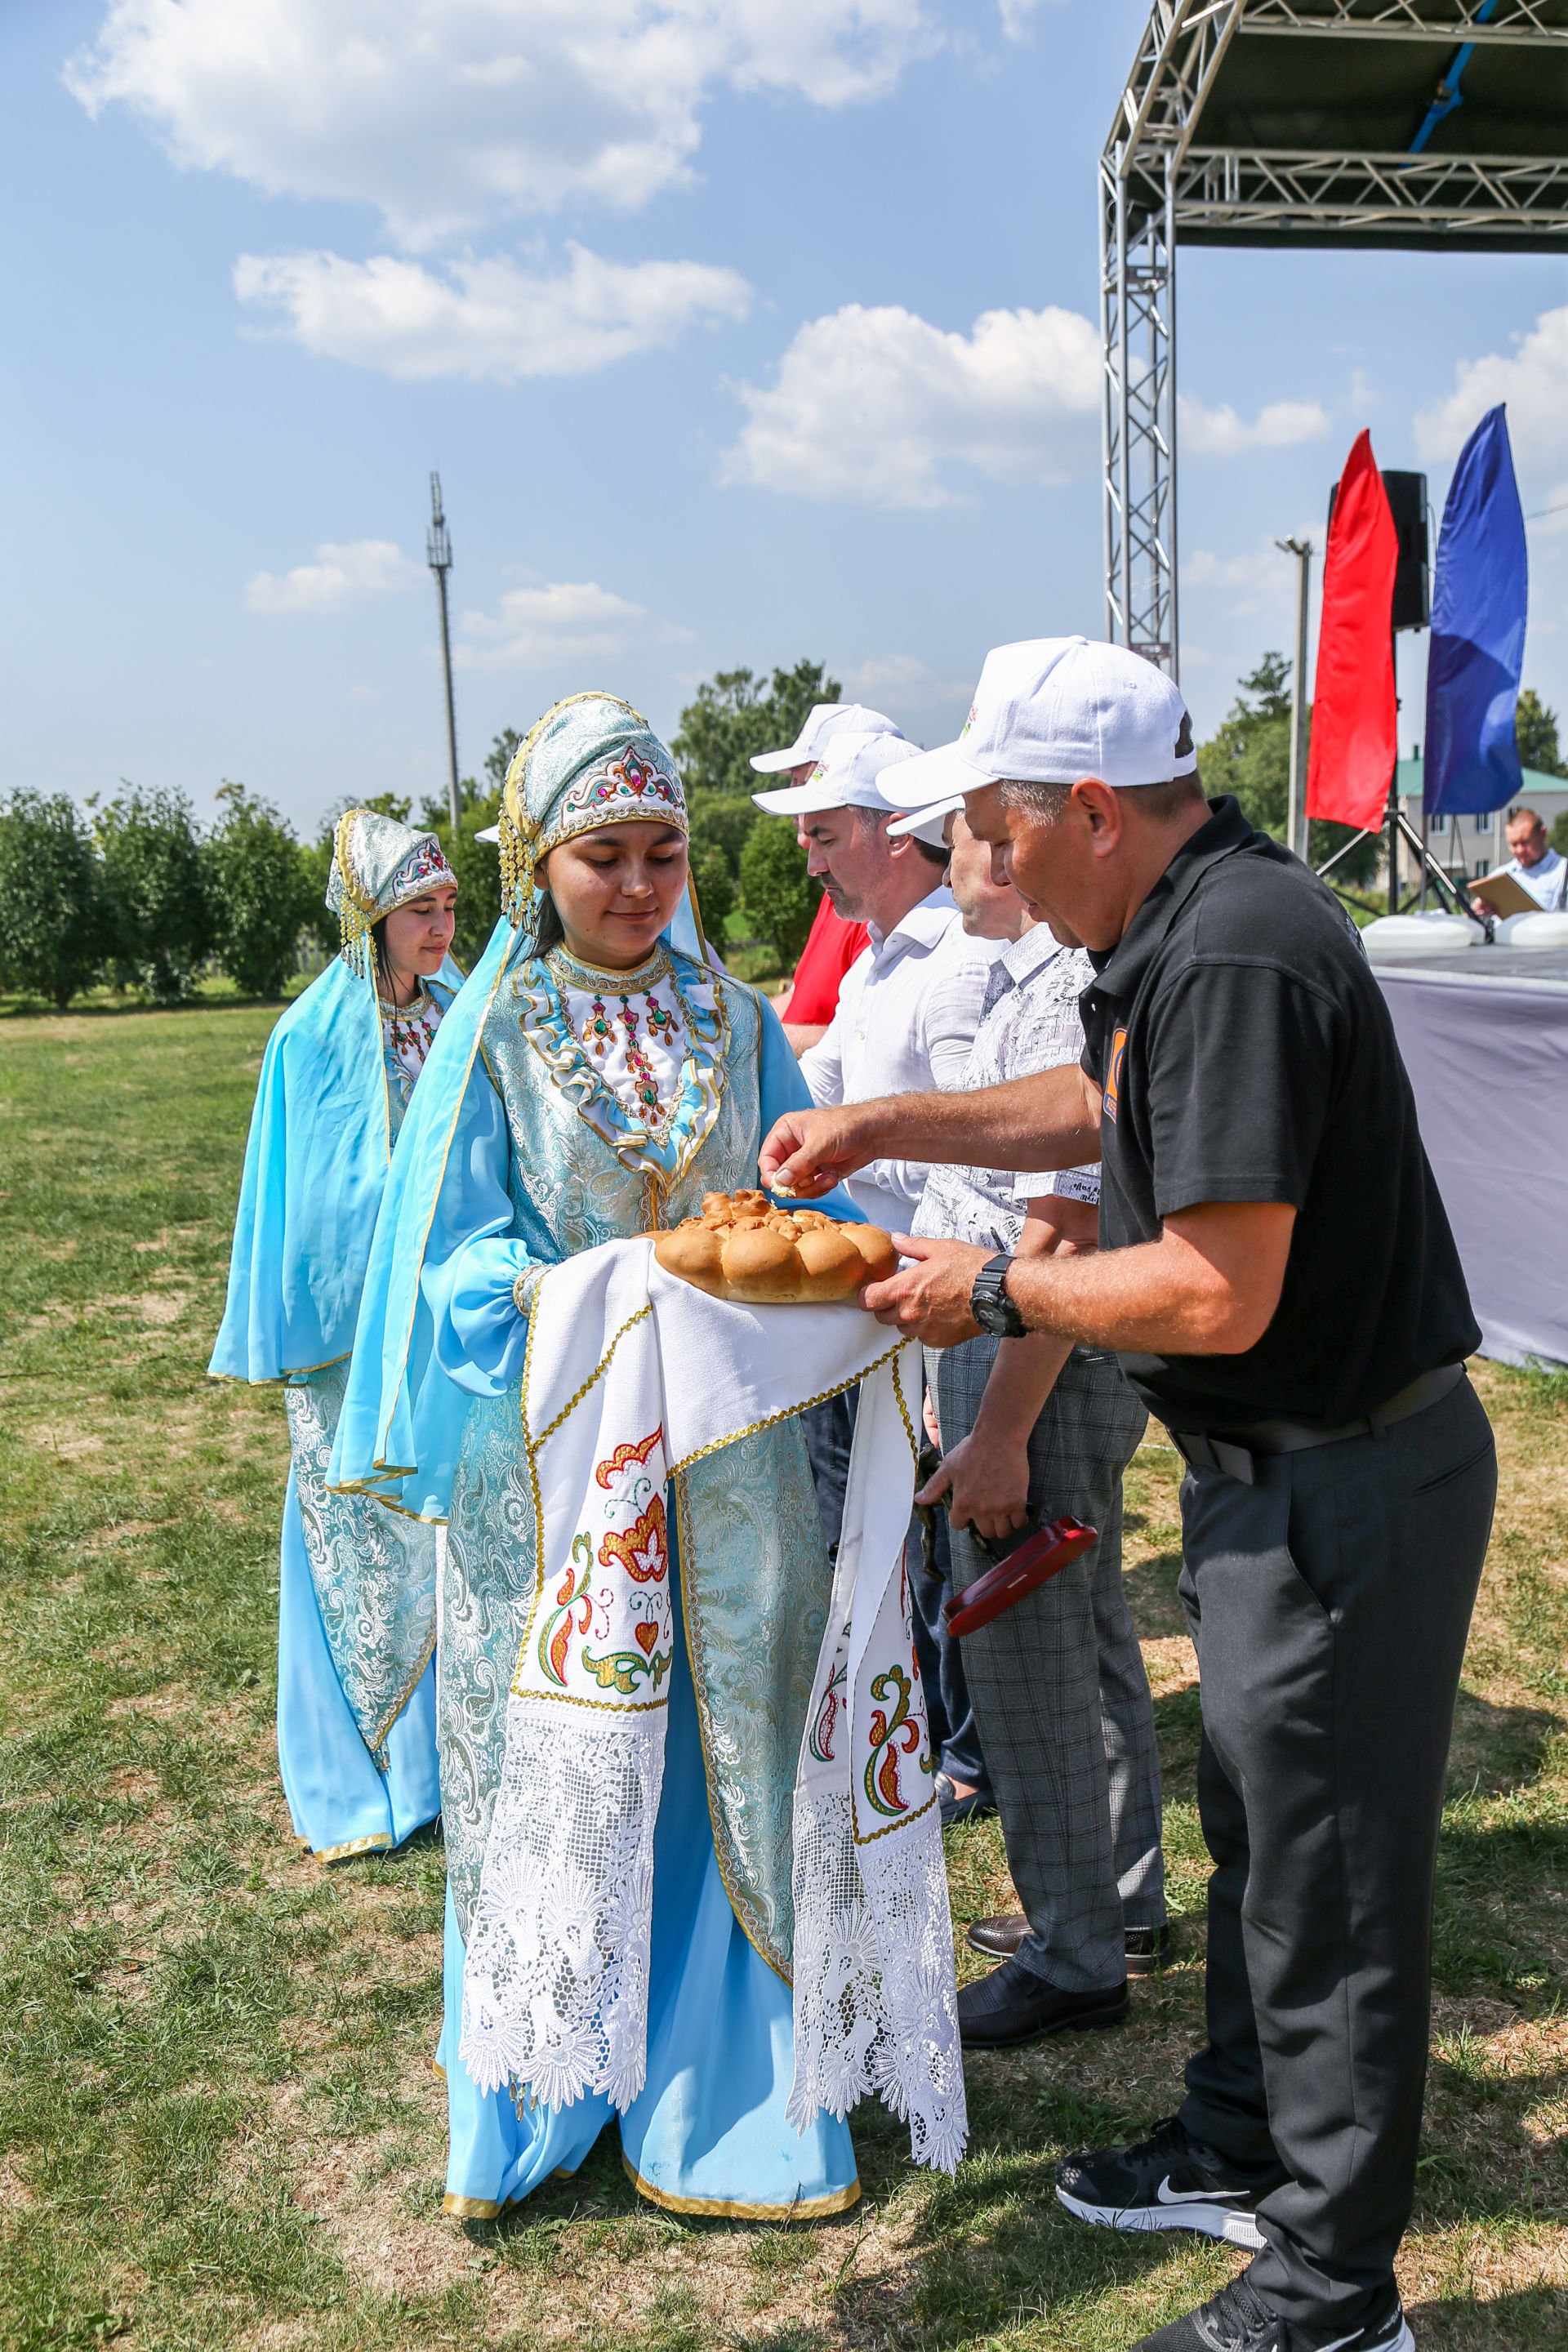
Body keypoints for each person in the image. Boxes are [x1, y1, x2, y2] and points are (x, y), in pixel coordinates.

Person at [760, 636, 1496, 2352]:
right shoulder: (1186, 923)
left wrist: (990, 1292)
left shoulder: (1234, 951)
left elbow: (1215, 1292)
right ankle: (1239, 2139)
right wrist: (885, 1127)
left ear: (1092, 809)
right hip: (1288, 1477)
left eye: (999, 835)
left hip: (1343, 1479)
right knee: (1261, 1838)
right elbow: (1097, 1110)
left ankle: (1331, 2289)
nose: (977, 869)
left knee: (1328, 1889)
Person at [328, 695, 863, 2222]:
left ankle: (729, 2082)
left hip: (738, 1476)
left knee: (730, 1749)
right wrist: (611, 1294)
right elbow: (453, 1261)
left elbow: (797, 1206)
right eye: (604, 857)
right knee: (560, 1767)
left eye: (664, 854)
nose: (639, 886)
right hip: (561, 1483)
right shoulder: (489, 1036)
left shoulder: (743, 1023)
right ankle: (544, 2095)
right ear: (535, 871)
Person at [906, 801, 1165, 2047]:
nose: (963, 861)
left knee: (1028, 1635)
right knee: (1081, 1623)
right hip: (1030, 1337)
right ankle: (1114, 1902)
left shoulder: (1071, 982)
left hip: (1033, 1352)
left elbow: (1064, 1225)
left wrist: (1002, 1427)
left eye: (966, 835)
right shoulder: (1055, 971)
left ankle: (1075, 1949)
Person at [209, 811, 461, 1862]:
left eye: (450, 906)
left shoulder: (452, 1013)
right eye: (420, 909)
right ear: (371, 916)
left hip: (440, 1320)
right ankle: (370, 1775)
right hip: (350, 1337)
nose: (442, 927)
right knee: (358, 1534)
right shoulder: (310, 1037)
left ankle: (449, 1757)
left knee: (443, 1526)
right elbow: (310, 1202)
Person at [775, 728, 1006, 1824]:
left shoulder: (954, 959)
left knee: (929, 1531)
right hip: (862, 1291)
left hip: (933, 1299)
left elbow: (984, 1145)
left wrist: (851, 1141)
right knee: (873, 1526)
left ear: (884, 830)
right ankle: (912, 1722)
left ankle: (968, 1752)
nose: (812, 860)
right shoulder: (874, 956)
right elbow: (815, 1085)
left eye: (825, 834)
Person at [751, 702, 904, 1054]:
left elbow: (863, 1037)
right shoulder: (838, 889)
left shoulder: (870, 901)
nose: (792, 794)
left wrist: (740, 1043)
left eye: (802, 781)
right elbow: (801, 997)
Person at [1495, 804, 1568, 908]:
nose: (1520, 850)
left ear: (1542, 834)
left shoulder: (1563, 873)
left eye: (1525, 842)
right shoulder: (1499, 876)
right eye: (1514, 844)